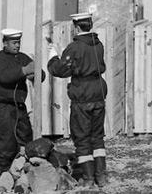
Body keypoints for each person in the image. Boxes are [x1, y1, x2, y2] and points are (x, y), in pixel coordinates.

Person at [47, 12, 108, 187]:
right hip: (98, 94)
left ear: (76, 26)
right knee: (97, 138)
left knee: (81, 139)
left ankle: (88, 179)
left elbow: (60, 70)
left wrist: (53, 56)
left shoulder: (75, 47)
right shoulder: (99, 44)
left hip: (82, 96)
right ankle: (101, 176)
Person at [0, 28, 39, 177]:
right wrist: (24, 71)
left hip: (19, 106)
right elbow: (5, 77)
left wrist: (35, 74)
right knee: (7, 142)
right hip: (2, 106)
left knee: (26, 137)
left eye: (18, 43)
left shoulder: (22, 57)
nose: (17, 46)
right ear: (5, 43)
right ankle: (2, 170)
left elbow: (38, 74)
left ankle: (22, 169)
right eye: (14, 43)